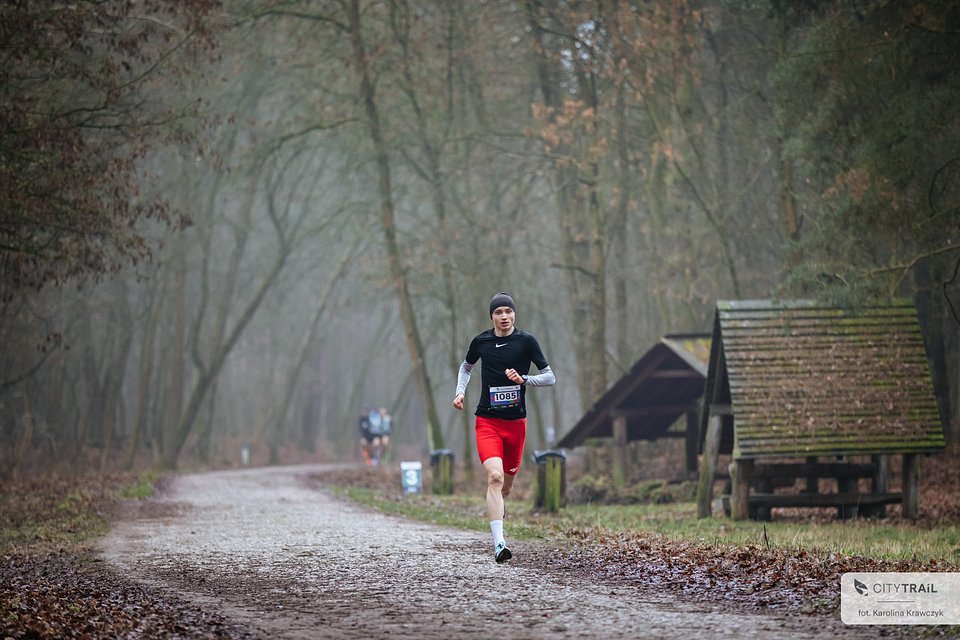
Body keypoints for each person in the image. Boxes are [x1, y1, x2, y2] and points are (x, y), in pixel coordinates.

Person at [453, 292, 555, 563]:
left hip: (516, 424)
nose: (504, 316)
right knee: (494, 478)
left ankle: (499, 508)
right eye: (498, 312)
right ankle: (499, 544)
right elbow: (466, 367)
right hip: (487, 421)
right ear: (492, 317)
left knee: (506, 487)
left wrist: (524, 380)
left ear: (514, 314)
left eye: (508, 311)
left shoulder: (526, 341)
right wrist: (460, 392)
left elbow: (550, 377)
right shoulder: (482, 342)